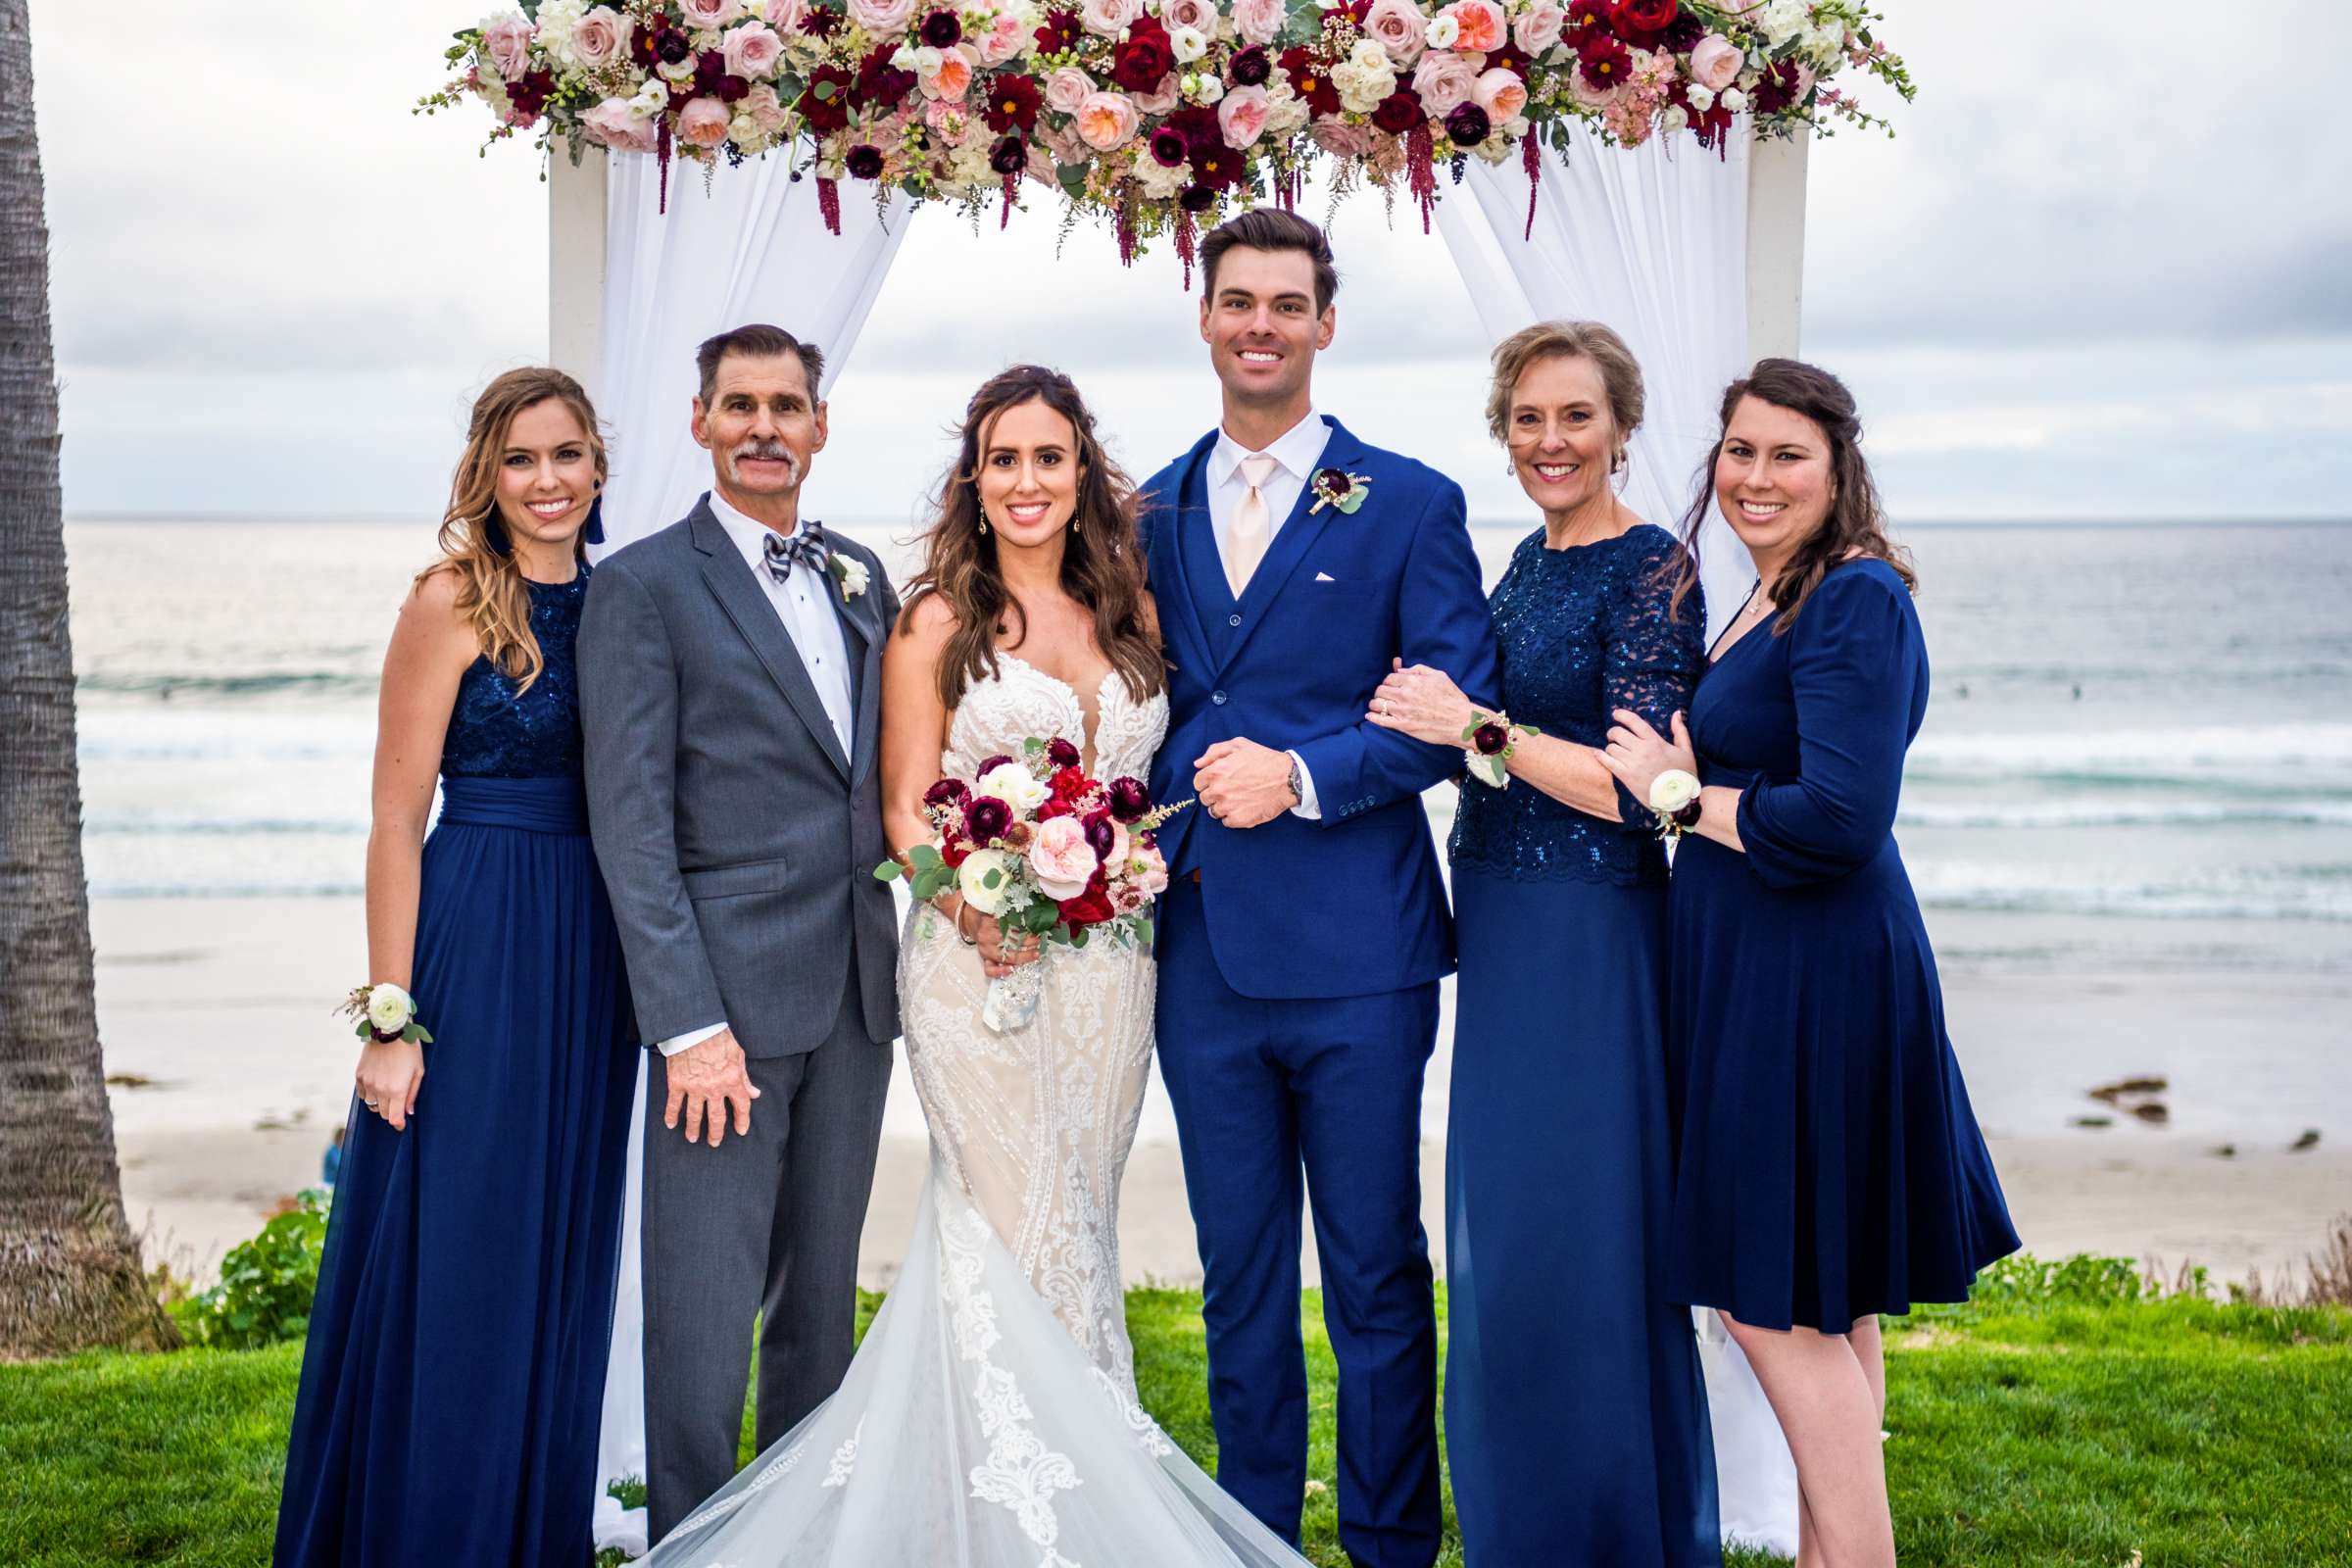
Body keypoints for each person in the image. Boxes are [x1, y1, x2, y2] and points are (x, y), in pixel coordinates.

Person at [639, 365, 1315, 1567]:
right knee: (1001, 1233)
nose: (1026, 482)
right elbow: (903, 806)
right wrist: (970, 901)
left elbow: (1151, 791)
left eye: (1048, 458)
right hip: (978, 972)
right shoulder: (933, 620)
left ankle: (1047, 1505)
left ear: (1081, 473)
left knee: (1078, 1227)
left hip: (1111, 970)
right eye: (1003, 459)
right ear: (974, 476)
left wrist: (1125, 864)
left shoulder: (1134, 614)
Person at [1601, 359, 2021, 1568]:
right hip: (1759, 959)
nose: (1757, 476)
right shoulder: (1771, 595)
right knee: (1820, 1293)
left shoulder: (1853, 598)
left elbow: (1841, 815)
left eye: (1787, 454)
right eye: (1739, 451)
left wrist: (1678, 794)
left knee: (1762, 1297)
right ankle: (1829, 1552)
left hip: (1812, 968)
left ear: (1839, 469)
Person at [1137, 209, 1499, 1567]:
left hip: (1363, 958)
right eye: (1238, 301)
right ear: (1206, 313)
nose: (1260, 326)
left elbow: (1450, 713)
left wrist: (1296, 774)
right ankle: (1250, 1538)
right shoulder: (1148, 506)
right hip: (1203, 955)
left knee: (1372, 1270)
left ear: (1324, 325)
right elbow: (1126, 701)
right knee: (1237, 1280)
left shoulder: (1407, 500)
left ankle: (1390, 1541)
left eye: (1287, 304)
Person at [1369, 321, 1720, 1566]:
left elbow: (1640, 789)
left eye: (1575, 417)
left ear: (1622, 426)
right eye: (1528, 419)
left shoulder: (1652, 570)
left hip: (1594, 932)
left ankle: (1615, 1530)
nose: (1550, 442)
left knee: (1585, 1239)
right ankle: (1525, 1529)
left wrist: (1481, 731)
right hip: (1505, 930)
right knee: (1511, 1248)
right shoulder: (1522, 560)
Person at [275, 368, 636, 1567]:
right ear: (488, 472)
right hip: (476, 934)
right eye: (523, 459)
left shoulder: (624, 600)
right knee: (460, 1236)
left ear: (599, 465)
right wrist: (391, 1019)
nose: (548, 482)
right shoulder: (451, 600)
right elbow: (393, 813)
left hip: (592, 951)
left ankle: (532, 1534)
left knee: (556, 1243)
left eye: (568, 456)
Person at [579, 324, 899, 1542]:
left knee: (819, 1302)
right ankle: (696, 1540)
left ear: (820, 426)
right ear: (702, 424)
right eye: (741, 405)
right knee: (704, 1314)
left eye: (788, 405)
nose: (766, 425)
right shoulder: (644, 586)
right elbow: (632, 825)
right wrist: (687, 1026)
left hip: (859, 997)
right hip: (721, 1009)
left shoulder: (862, 571)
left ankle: (798, 1534)